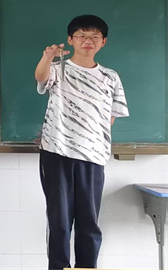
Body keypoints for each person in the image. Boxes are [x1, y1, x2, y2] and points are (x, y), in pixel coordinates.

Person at [34, 15, 129, 270]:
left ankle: (87, 267)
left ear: (103, 42)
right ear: (70, 40)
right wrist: (48, 57)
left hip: (93, 156)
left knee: (89, 221)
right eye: (81, 36)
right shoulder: (58, 69)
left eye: (94, 37)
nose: (88, 41)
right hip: (56, 152)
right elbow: (41, 78)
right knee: (59, 220)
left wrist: (88, 137)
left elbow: (110, 118)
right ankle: (59, 267)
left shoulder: (110, 77)